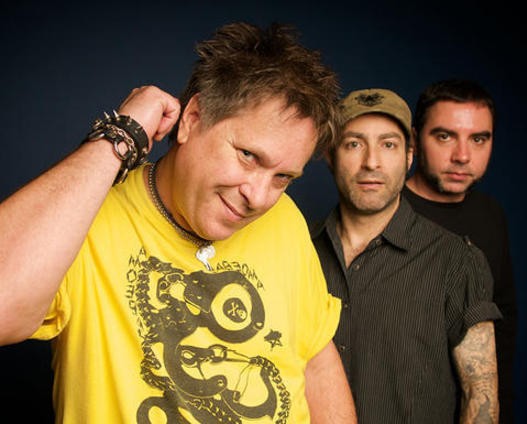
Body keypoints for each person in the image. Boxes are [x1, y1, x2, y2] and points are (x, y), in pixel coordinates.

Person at [0, 22, 357, 423]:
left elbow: (314, 360)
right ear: (192, 118)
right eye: (248, 156)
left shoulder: (284, 217)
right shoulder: (86, 217)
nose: (259, 197)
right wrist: (119, 137)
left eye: (283, 177)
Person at [310, 88, 502, 423]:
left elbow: (479, 395)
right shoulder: (298, 249)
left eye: (389, 145)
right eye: (354, 144)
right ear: (330, 154)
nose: (372, 162)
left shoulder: (456, 260)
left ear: (409, 156)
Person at [404, 79, 518, 423]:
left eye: (478, 139)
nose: (462, 156)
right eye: (445, 136)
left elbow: (503, 329)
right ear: (414, 140)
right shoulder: (383, 215)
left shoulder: (491, 215)